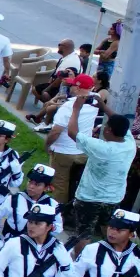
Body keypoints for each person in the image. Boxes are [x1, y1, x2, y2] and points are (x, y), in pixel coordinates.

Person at [66, 98, 136, 246]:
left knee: (83, 233)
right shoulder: (130, 144)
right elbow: (119, 121)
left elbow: (72, 132)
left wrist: (76, 109)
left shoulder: (100, 147)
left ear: (109, 130)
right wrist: (104, 106)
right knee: (110, 229)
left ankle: (79, 264)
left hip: (89, 198)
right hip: (113, 198)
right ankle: (109, 256)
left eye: (106, 125)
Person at [45, 75, 101, 209]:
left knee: (59, 185)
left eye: (73, 85)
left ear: (78, 87)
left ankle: (59, 213)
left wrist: (47, 145)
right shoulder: (95, 101)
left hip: (63, 153)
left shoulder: (68, 107)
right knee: (76, 184)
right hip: (83, 152)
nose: (71, 87)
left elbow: (55, 132)